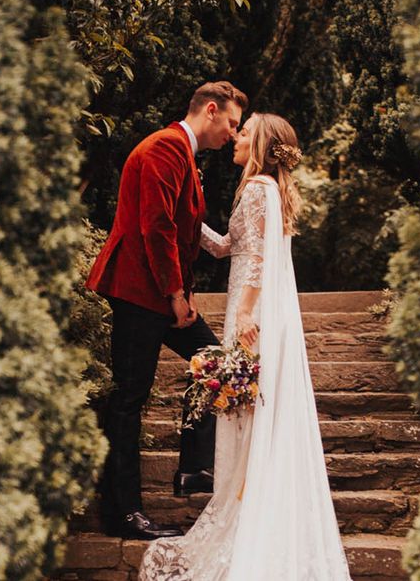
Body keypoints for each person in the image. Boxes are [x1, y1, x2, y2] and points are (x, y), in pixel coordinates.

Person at [138, 113, 351, 579]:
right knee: (248, 412)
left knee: (247, 410)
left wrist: (246, 315)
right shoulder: (263, 190)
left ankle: (248, 512)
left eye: (245, 130)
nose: (236, 136)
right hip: (251, 308)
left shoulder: (257, 189)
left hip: (250, 312)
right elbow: (226, 246)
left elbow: (253, 260)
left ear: (262, 142)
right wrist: (185, 217)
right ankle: (248, 500)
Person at [85, 81, 248, 540]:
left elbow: (182, 229)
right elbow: (156, 228)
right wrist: (174, 292)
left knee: (217, 364)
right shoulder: (165, 148)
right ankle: (123, 512)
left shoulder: (183, 154)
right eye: (231, 124)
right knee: (129, 399)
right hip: (140, 291)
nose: (233, 135)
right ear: (211, 110)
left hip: (161, 294)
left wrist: (185, 294)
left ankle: (194, 467)